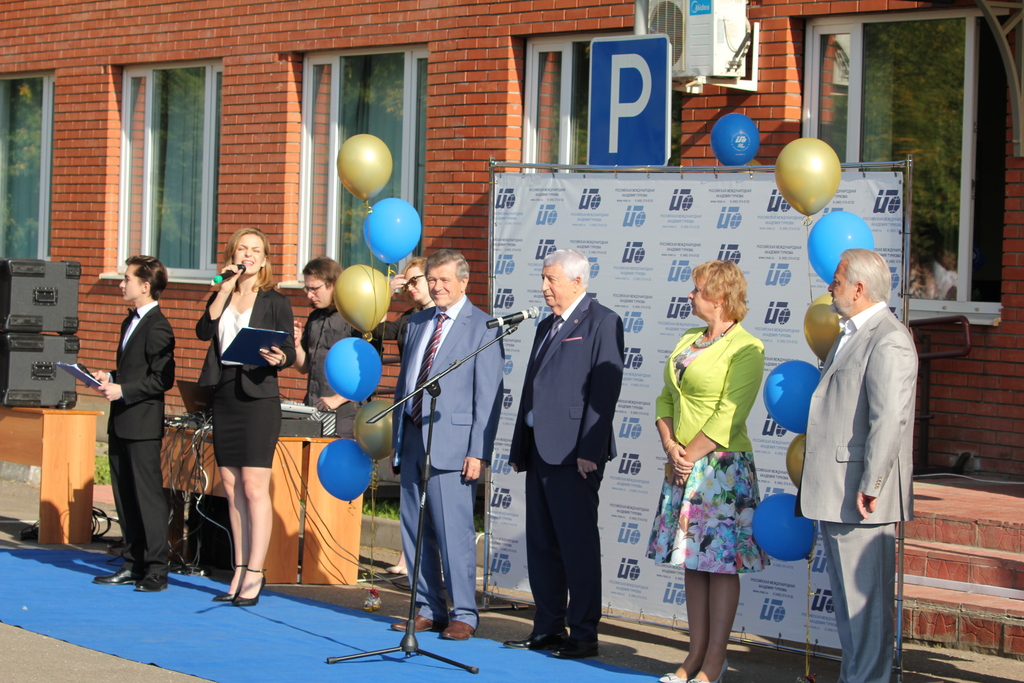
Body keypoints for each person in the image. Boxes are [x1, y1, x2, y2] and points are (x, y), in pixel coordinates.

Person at [645, 260, 769, 683]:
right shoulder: (688, 339)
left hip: (721, 469)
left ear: (718, 297)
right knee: (693, 562)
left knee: (720, 563)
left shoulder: (747, 347)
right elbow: (666, 397)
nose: (690, 295)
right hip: (683, 463)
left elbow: (728, 415)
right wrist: (671, 447)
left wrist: (688, 457)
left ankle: (715, 660)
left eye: (696, 289)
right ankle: (694, 654)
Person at [798, 248, 917, 683]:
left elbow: (889, 419)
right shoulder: (852, 332)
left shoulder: (889, 338)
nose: (830, 287)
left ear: (859, 289)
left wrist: (872, 483)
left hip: (861, 496)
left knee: (866, 618)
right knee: (851, 616)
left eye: (837, 281)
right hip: (836, 491)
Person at [504, 249, 624, 660]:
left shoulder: (602, 321)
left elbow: (605, 392)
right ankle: (548, 627)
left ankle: (584, 634)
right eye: (543, 277)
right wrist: (520, 445)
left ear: (578, 282)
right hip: (540, 450)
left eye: (551, 279)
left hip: (575, 454)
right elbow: (532, 389)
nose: (544, 287)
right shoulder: (545, 325)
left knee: (577, 547)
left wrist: (590, 449)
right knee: (542, 545)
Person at [389, 249, 503, 641]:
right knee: (415, 530)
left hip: (453, 446)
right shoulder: (417, 322)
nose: (436, 287)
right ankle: (428, 608)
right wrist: (397, 439)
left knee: (454, 532)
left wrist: (478, 451)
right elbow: (405, 384)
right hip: (412, 438)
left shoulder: (483, 327)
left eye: (444, 280)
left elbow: (488, 397)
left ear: (464, 282)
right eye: (432, 280)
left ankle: (464, 613)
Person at [196, 227, 295, 607]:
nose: (248, 255)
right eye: (242, 249)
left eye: (255, 250)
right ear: (232, 255)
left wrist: (279, 358)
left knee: (254, 487)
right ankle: (238, 567)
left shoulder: (276, 301)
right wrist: (223, 290)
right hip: (225, 394)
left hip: (258, 397)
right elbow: (203, 330)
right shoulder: (222, 293)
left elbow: (287, 350)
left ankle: (256, 570)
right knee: (231, 485)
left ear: (265, 259)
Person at [92, 256, 176, 593]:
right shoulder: (131, 320)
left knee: (147, 497)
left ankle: (156, 569)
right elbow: (134, 370)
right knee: (124, 495)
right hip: (121, 421)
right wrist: (109, 377)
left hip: (142, 424)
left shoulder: (158, 326)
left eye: (126, 278)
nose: (121, 283)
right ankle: (132, 563)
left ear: (145, 285)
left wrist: (123, 390)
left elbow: (163, 378)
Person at [381, 256, 434, 576]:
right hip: (410, 412)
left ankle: (426, 563)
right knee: (411, 490)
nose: (411, 287)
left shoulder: (443, 318)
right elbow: (373, 328)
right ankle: (407, 557)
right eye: (408, 282)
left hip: (434, 415)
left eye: (416, 280)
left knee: (430, 492)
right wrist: (387, 294)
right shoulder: (407, 320)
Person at [292, 257, 366, 438]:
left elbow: (366, 370)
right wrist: (296, 346)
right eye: (307, 289)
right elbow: (304, 367)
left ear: (332, 284)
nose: (309, 295)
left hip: (345, 411)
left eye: (314, 289)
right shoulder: (314, 317)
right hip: (314, 405)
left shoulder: (354, 317)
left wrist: (337, 399)